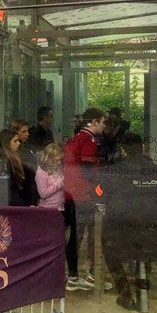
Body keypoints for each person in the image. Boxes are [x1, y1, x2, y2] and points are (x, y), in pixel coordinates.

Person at [101, 133, 157, 311]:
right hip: (154, 229)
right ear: (142, 148)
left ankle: (125, 294)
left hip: (122, 229)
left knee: (109, 250)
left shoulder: (117, 170)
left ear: (123, 150)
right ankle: (142, 296)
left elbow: (100, 191)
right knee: (144, 256)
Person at [63, 107, 106, 291]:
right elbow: (91, 172)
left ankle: (73, 275)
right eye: (103, 122)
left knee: (75, 236)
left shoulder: (74, 139)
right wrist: (100, 193)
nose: (104, 126)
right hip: (85, 194)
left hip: (72, 193)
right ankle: (90, 276)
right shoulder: (88, 140)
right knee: (91, 237)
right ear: (94, 122)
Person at [0, 129, 39, 207]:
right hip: (13, 203)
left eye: (18, 141)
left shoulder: (16, 159)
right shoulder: (4, 161)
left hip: (21, 201)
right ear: (7, 143)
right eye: (15, 141)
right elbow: (8, 188)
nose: (18, 144)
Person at [36, 143, 65, 210]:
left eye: (60, 160)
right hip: (47, 209)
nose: (59, 163)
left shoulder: (58, 169)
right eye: (57, 160)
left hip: (60, 207)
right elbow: (43, 194)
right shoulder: (41, 173)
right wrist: (60, 183)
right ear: (49, 159)